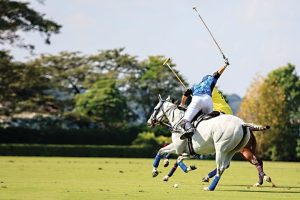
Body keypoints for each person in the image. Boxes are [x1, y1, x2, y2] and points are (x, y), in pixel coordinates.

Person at [179, 60, 229, 140]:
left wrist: (182, 104)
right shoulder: (210, 81)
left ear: (202, 80)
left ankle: (190, 129)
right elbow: (217, 74)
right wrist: (225, 65)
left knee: (185, 121)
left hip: (197, 100)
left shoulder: (196, 86)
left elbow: (186, 94)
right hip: (208, 101)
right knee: (210, 121)